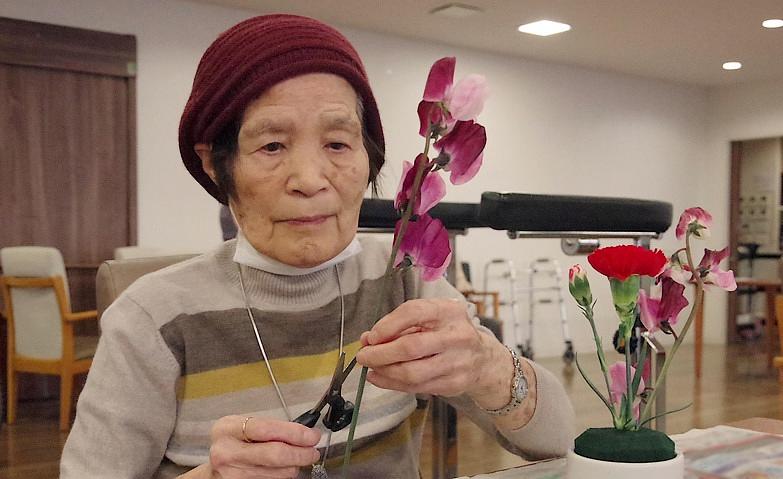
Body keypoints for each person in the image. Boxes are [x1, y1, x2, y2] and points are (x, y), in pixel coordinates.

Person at [60, 14, 575, 479]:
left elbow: (555, 443)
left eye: (337, 144)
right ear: (216, 164)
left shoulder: (403, 281)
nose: (310, 179)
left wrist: (489, 366)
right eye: (271, 145)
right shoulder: (154, 318)